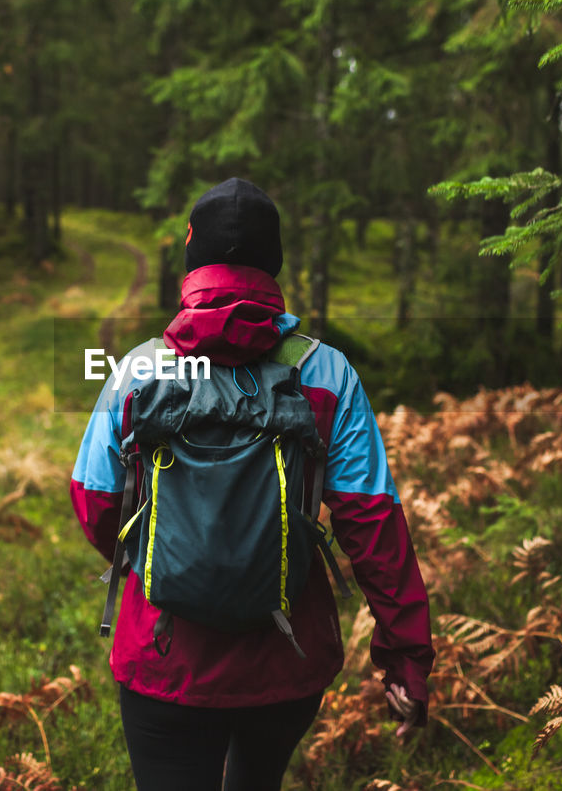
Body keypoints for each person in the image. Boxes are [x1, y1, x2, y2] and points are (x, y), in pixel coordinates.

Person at [70, 177, 434, 790]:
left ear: (191, 262)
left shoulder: (138, 369)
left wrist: (171, 561)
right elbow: (372, 524)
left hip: (164, 660)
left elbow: (94, 502)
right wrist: (405, 655)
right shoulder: (325, 372)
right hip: (284, 661)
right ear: (275, 264)